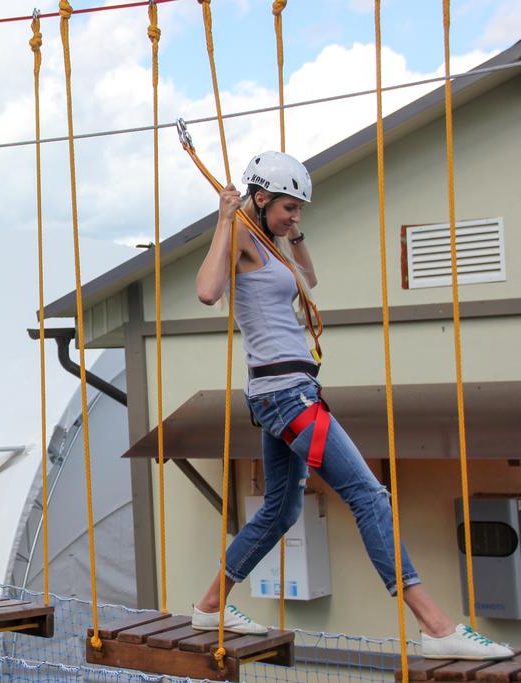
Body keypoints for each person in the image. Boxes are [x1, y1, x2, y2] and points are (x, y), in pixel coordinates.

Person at [189, 151, 512, 660]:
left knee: (280, 510)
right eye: (289, 208)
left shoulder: (273, 245)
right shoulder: (244, 240)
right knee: (369, 495)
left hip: (290, 393)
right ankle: (435, 624)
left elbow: (308, 281)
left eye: (300, 209)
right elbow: (208, 292)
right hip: (285, 396)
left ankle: (210, 604)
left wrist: (292, 235)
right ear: (260, 198)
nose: (297, 217)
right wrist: (226, 219)